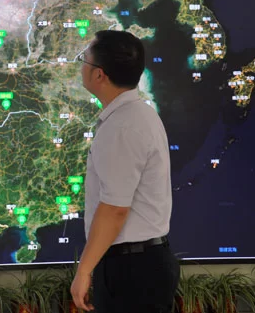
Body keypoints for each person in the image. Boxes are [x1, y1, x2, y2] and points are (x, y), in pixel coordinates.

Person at [71, 30, 180, 313]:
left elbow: (115, 209)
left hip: (131, 270)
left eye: (84, 59)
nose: (81, 66)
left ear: (99, 75)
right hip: (141, 264)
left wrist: (84, 270)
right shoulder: (139, 113)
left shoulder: (122, 127)